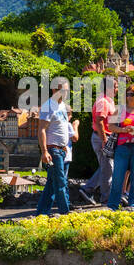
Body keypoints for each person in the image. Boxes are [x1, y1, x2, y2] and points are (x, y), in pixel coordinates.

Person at [37, 77, 79, 216]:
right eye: (63, 90)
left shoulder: (62, 106)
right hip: (53, 150)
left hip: (61, 150)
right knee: (61, 183)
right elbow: (42, 129)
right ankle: (65, 213)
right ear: (54, 89)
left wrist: (64, 146)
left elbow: (62, 128)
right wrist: (44, 151)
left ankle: (41, 213)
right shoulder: (48, 106)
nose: (66, 93)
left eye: (67, 90)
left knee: (51, 185)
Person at [107, 83, 134, 211]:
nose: (128, 96)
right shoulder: (119, 109)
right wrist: (123, 130)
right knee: (117, 177)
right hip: (123, 147)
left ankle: (133, 205)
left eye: (131, 94)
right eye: (127, 94)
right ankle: (112, 206)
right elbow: (110, 127)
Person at [82, 75, 117, 203]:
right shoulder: (103, 101)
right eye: (115, 87)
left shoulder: (109, 101)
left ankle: (88, 189)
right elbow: (100, 121)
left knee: (106, 167)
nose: (117, 89)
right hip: (102, 137)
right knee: (108, 169)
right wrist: (104, 140)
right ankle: (106, 198)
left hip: (106, 137)